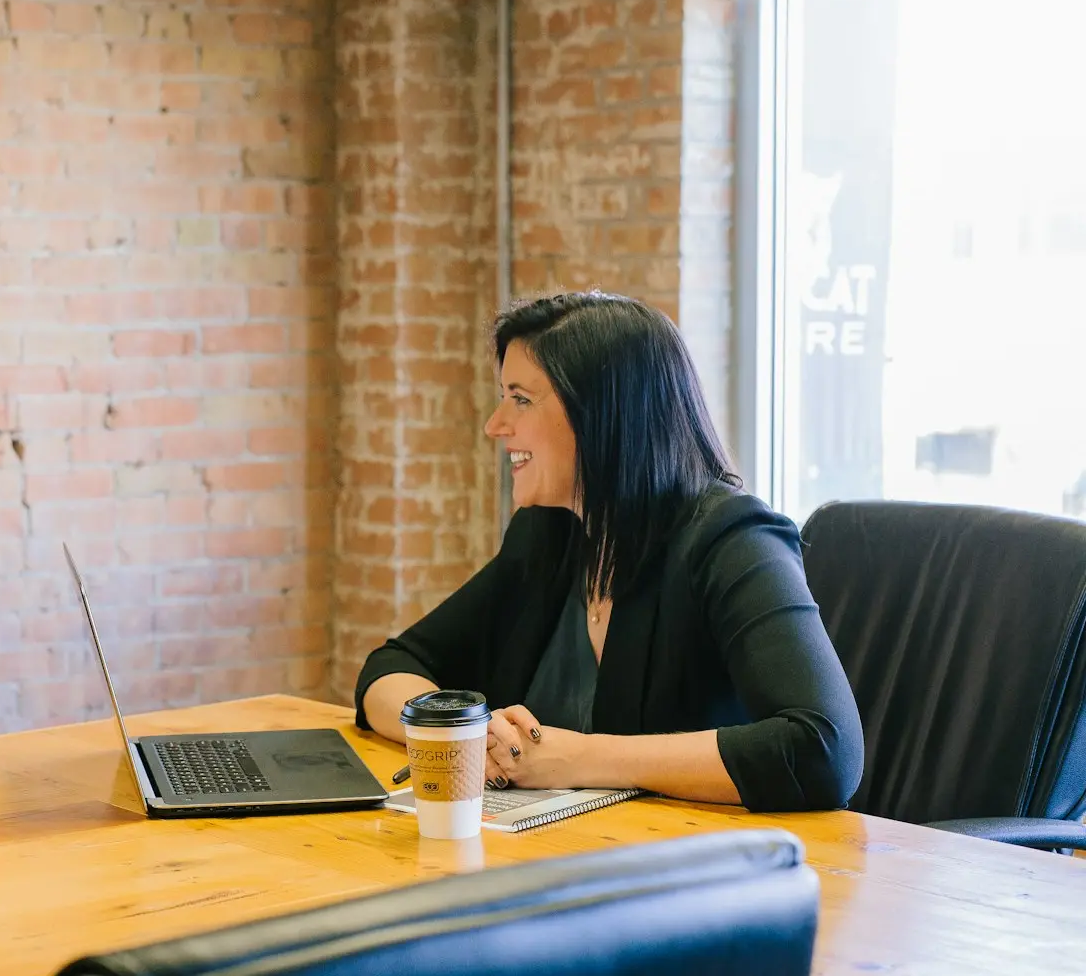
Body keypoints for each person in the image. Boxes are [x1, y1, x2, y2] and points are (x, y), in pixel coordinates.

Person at [355, 292, 864, 811]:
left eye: (521, 399)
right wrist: (466, 737)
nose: (495, 425)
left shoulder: (733, 539)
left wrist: (577, 759)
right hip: (571, 859)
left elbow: (824, 750)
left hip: (697, 869)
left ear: (602, 414)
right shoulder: (549, 535)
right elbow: (392, 666)